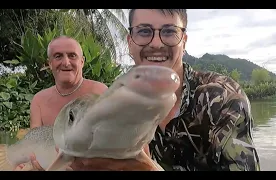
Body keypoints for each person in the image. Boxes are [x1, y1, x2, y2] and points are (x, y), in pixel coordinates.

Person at [26, 9, 261, 171]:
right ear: (129, 41)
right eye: (144, 31)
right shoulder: (114, 99)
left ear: (184, 40)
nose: (156, 43)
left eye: (169, 31)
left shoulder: (223, 99)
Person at [29, 36, 108, 128]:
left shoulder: (100, 92)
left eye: (72, 56)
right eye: (58, 56)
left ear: (82, 62)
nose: (66, 63)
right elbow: (34, 141)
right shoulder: (39, 101)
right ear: (50, 63)